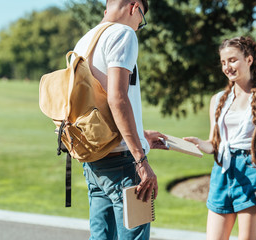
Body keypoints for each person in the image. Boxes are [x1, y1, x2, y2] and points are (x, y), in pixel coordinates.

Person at [71, 1, 167, 239]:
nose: (138, 26)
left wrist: (141, 134)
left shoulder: (84, 41)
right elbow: (116, 98)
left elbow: (98, 104)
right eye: (141, 19)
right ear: (135, 7)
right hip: (124, 164)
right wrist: (141, 159)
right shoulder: (123, 33)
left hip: (95, 160)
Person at [184, 36, 256, 240]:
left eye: (232, 60)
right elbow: (214, 144)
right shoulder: (218, 99)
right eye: (223, 62)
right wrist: (199, 144)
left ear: (249, 59)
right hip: (222, 175)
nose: (227, 67)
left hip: (254, 173)